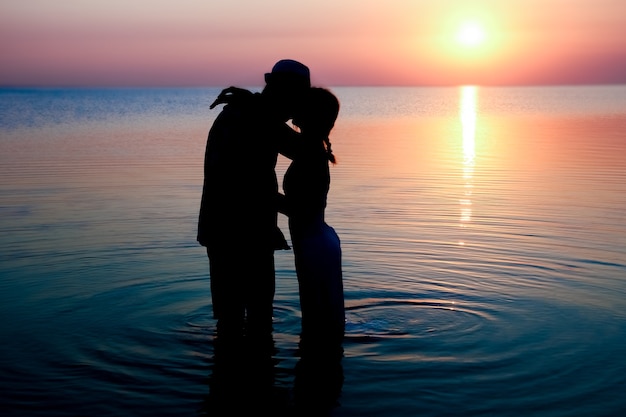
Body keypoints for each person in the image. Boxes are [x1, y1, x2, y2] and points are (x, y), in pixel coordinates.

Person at [197, 59, 310, 343]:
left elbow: (298, 151)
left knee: (234, 322)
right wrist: (295, 210)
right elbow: (242, 185)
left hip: (233, 231)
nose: (297, 109)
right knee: (250, 320)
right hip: (237, 233)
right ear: (287, 94)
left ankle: (236, 379)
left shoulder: (257, 115)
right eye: (299, 100)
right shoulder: (248, 118)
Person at [277, 87, 345, 410]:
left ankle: (318, 396)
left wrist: (262, 194)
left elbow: (300, 209)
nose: (293, 116)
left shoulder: (312, 155)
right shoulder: (311, 148)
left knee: (320, 327)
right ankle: (323, 391)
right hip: (319, 241)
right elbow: (274, 132)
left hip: (315, 245)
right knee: (322, 325)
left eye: (299, 110)